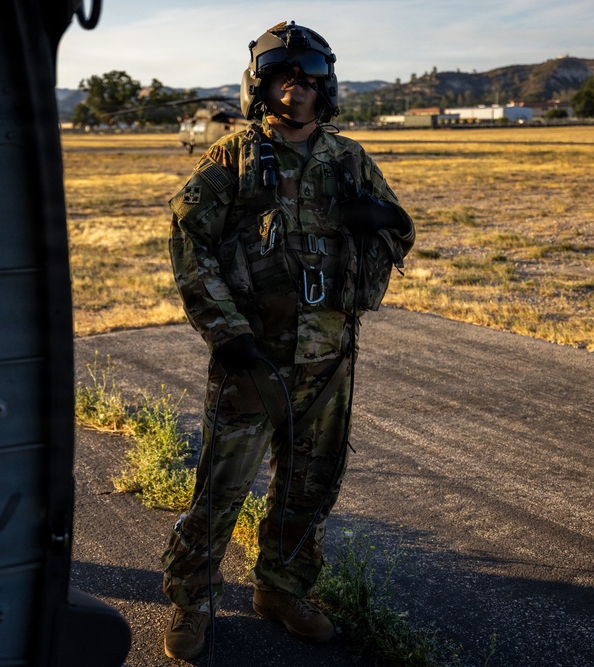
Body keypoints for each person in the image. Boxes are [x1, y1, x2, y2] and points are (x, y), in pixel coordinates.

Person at [161, 20, 416, 660]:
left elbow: (399, 234)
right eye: (283, 77)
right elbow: (190, 243)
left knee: (310, 485)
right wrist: (226, 332)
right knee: (222, 488)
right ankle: (190, 599)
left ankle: (280, 588)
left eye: (308, 80)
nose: (296, 91)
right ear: (263, 85)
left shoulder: (349, 158)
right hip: (253, 359)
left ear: (324, 87)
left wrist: (383, 220)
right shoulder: (233, 159)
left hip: (329, 357)